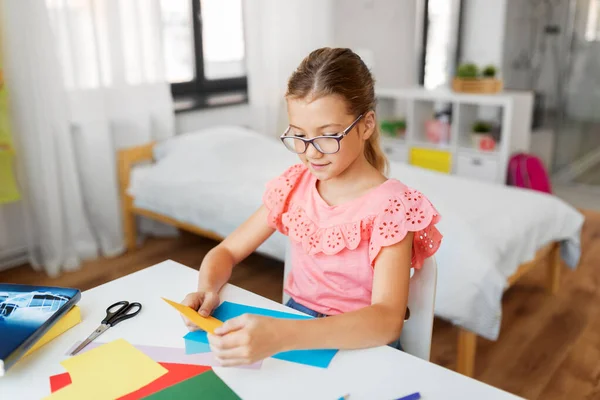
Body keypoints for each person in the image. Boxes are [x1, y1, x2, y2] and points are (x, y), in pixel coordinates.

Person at [181, 47, 442, 367]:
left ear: (366, 125)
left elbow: (386, 321)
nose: (311, 153)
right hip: (294, 330)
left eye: (328, 136)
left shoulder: (392, 207)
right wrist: (207, 289)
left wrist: (282, 335)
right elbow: (225, 252)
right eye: (299, 136)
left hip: (361, 344)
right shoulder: (295, 186)